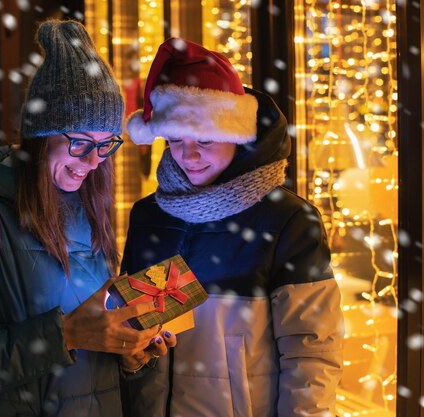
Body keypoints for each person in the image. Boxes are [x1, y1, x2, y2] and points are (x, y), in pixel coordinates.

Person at [0, 19, 175, 417]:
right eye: (80, 142)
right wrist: (64, 334)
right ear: (39, 135)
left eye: (106, 145)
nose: (92, 161)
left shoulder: (91, 219)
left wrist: (130, 357)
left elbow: (91, 369)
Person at [122, 38, 344, 417]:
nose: (187, 155)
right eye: (175, 139)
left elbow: (311, 352)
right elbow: (133, 331)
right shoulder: (149, 216)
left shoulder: (285, 220)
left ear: (237, 135)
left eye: (205, 140)